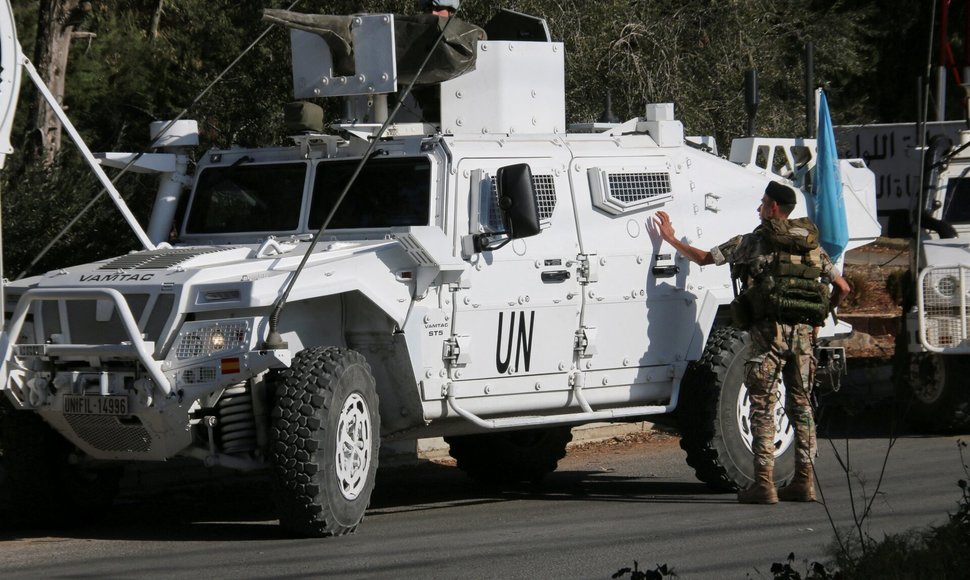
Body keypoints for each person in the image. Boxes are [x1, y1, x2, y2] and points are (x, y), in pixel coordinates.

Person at [655, 181, 851, 505]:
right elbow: (842, 287)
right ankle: (804, 482)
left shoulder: (755, 242)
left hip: (768, 337)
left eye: (762, 203)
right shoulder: (813, 247)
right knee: (801, 407)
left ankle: (764, 485)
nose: (759, 209)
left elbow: (705, 258)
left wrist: (671, 238)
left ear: (774, 208)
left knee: (762, 408)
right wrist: (818, 320)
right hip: (803, 338)